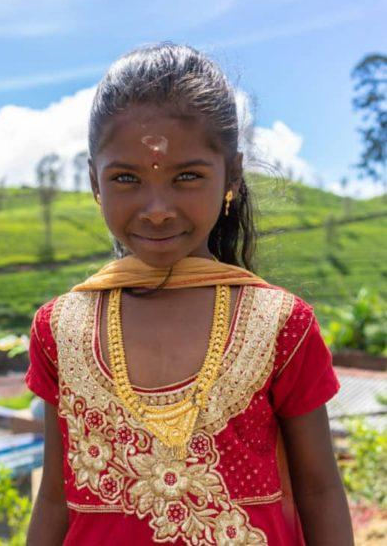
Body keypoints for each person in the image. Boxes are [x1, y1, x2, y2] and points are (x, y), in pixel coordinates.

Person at [25, 42, 353, 545]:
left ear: (232, 176)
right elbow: (54, 497)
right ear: (95, 181)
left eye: (187, 177)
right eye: (126, 178)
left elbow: (320, 491)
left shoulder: (280, 326)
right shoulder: (60, 330)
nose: (157, 208)